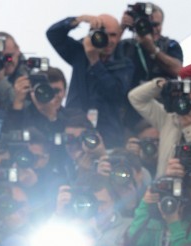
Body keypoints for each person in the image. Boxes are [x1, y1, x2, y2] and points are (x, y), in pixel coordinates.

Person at [47, 13, 134, 148]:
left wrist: (94, 61)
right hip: (74, 129)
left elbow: (115, 94)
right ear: (93, 35)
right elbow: (53, 34)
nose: (109, 40)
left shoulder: (125, 63)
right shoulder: (80, 53)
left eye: (113, 35)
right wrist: (79, 19)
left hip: (107, 135)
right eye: (104, 35)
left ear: (119, 36)